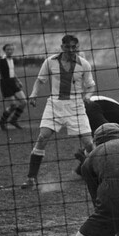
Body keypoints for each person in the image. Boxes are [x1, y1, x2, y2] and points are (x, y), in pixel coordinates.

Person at [20, 34, 96, 190]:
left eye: (74, 47)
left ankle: (99, 173)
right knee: (42, 137)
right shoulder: (50, 61)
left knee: (88, 143)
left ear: (78, 47)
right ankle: (31, 179)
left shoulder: (84, 64)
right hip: (54, 105)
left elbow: (90, 86)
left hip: (76, 106)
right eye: (67, 47)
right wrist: (34, 94)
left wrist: (88, 96)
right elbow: (40, 80)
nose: (71, 50)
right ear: (62, 47)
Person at [72, 95, 119, 170]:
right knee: (109, 141)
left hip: (80, 108)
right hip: (91, 108)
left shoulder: (116, 109)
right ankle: (86, 158)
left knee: (102, 139)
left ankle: (85, 157)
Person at [0, 43, 26, 130]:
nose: (10, 51)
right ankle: (2, 121)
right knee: (13, 105)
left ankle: (13, 120)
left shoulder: (12, 59)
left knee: (24, 102)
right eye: (8, 49)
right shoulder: (1, 60)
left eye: (11, 49)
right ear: (4, 50)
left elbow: (12, 72)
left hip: (13, 83)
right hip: (5, 84)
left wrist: (18, 81)